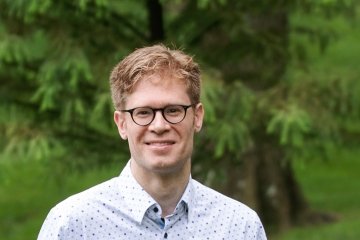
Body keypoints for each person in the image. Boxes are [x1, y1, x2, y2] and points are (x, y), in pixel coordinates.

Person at [38, 44, 267, 240]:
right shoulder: (73, 226)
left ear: (197, 117)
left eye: (173, 110)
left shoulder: (239, 227)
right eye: (144, 112)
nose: (159, 126)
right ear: (122, 123)